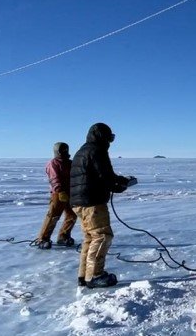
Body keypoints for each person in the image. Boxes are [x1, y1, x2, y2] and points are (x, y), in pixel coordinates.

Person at [70, 123, 132, 288]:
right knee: (102, 236)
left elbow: (100, 175)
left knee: (90, 238)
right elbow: (105, 176)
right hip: (92, 202)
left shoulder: (83, 150)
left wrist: (120, 182)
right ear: (102, 137)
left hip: (79, 202)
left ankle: (84, 275)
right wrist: (119, 185)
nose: (110, 142)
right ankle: (95, 275)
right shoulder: (97, 151)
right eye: (109, 137)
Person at [34, 142, 77, 249]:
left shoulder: (70, 163)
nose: (63, 152)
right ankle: (42, 239)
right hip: (58, 194)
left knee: (72, 215)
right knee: (53, 216)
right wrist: (60, 191)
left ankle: (63, 237)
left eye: (65, 150)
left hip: (71, 193)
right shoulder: (53, 163)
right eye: (61, 150)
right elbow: (54, 178)